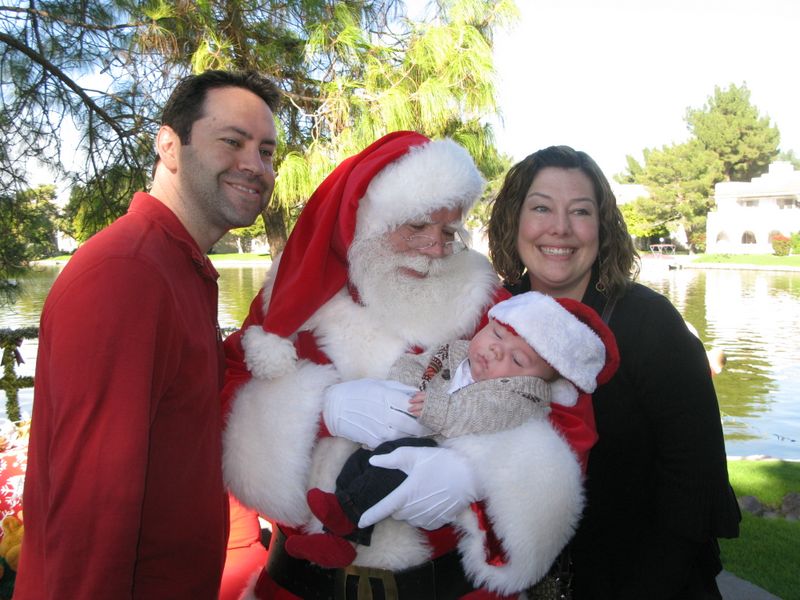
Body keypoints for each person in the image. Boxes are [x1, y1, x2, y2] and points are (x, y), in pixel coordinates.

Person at [221, 131, 599, 599]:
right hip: (300, 587)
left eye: (447, 232)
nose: (436, 248)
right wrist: (319, 412)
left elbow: (566, 410)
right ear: (371, 221)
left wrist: (475, 477)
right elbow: (223, 393)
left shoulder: (488, 305)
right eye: (416, 226)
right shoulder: (287, 302)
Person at [15, 69, 280, 599]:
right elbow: (91, 517)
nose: (255, 165)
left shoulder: (178, 268)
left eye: (268, 151)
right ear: (169, 147)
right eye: (232, 141)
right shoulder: (128, 274)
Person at [487, 145, 741, 599]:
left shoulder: (649, 324)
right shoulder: (493, 316)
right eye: (541, 207)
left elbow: (693, 480)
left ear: (601, 228)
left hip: (644, 580)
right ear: (514, 220)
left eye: (580, 211)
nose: (559, 227)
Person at [286, 291, 619, 572]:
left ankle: (340, 531)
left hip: (441, 449)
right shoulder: (456, 351)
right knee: (363, 462)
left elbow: (483, 415)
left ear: (535, 379)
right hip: (417, 426)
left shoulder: (520, 396)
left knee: (389, 472)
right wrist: (403, 383)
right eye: (497, 335)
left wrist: (435, 409)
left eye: (517, 360)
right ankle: (333, 528)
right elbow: (419, 363)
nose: (494, 351)